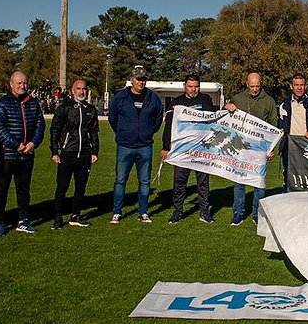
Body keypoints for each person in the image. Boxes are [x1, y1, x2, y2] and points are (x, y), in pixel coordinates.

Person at [0, 70, 46, 235]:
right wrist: (16, 145)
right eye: (19, 83)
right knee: (1, 190)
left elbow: (40, 124)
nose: (22, 86)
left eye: (24, 83)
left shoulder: (33, 103)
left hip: (27, 154)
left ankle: (23, 219)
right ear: (11, 84)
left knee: (23, 190)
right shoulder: (2, 103)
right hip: (8, 155)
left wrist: (33, 143)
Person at [108, 66, 163, 224]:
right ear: (132, 79)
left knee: (144, 181)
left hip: (145, 146)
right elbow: (113, 118)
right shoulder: (120, 97)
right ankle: (117, 212)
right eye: (138, 79)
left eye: (144, 79)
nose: (141, 82)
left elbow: (158, 118)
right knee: (120, 180)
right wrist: (122, 132)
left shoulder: (153, 98)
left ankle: (143, 212)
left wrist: (149, 131)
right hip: (125, 145)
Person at [225, 72, 278, 225]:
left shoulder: (268, 101)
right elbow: (225, 115)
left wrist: (271, 148)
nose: (255, 89)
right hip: (240, 148)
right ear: (247, 84)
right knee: (239, 182)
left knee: (258, 184)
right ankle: (238, 213)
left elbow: (273, 127)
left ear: (261, 84)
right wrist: (227, 106)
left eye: (258, 86)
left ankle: (257, 214)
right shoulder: (238, 98)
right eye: (252, 86)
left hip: (260, 149)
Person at [162, 74, 216, 224]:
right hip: (182, 150)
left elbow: (213, 121)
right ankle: (178, 211)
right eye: (190, 86)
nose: (194, 89)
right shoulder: (176, 102)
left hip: (201, 150)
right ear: (184, 86)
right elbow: (168, 126)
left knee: (203, 183)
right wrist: (166, 147)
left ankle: (204, 212)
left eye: (196, 86)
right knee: (179, 182)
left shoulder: (206, 100)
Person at [49, 79, 99, 229]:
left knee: (80, 187)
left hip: (84, 154)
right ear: (72, 90)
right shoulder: (64, 108)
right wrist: (54, 151)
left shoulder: (91, 109)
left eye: (83, 89)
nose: (81, 92)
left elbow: (94, 132)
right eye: (78, 89)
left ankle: (75, 215)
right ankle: (58, 217)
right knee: (62, 187)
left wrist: (94, 151)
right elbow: (55, 129)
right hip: (67, 153)